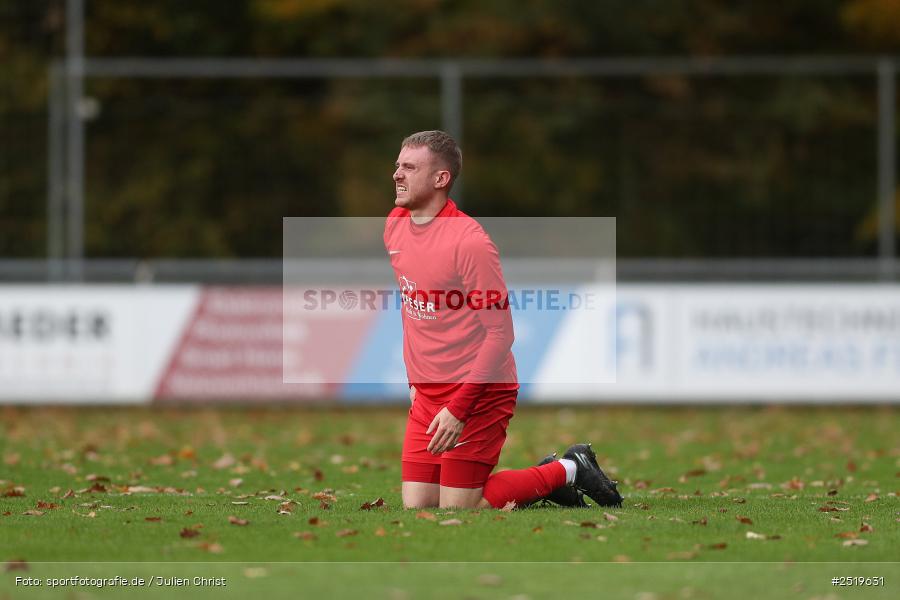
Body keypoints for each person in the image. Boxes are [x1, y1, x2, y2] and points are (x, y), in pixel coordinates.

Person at [383, 130, 622, 510]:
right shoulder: (395, 224)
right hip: (428, 393)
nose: (397, 173)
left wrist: (459, 407)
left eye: (409, 167)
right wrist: (416, 382)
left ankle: (566, 469)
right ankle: (551, 476)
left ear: (440, 179)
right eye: (398, 165)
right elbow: (413, 306)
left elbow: (500, 333)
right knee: (418, 507)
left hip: (479, 392)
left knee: (461, 509)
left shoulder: (469, 242)